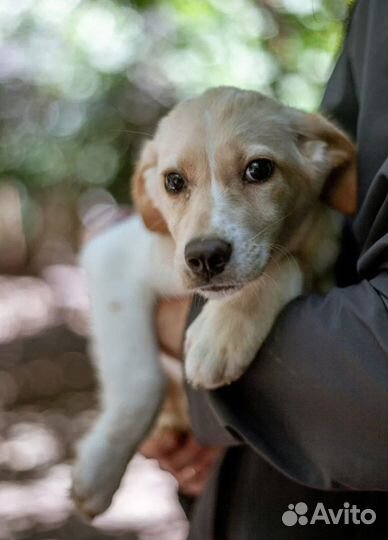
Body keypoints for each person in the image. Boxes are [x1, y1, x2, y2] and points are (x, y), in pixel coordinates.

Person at [142, 1, 388, 537]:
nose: (205, 238)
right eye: (176, 185)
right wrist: (196, 420)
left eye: (255, 170)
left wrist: (173, 325)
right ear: (150, 190)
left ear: (325, 157)